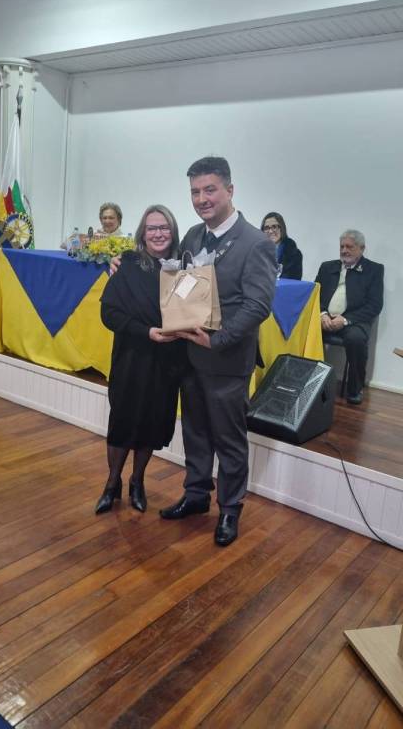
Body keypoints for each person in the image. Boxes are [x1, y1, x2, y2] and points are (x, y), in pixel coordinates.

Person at [160, 156, 277, 546]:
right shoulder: (193, 235)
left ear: (230, 190)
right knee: (195, 432)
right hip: (191, 357)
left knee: (228, 439)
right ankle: (196, 495)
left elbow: (257, 306)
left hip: (226, 360)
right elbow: (179, 282)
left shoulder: (256, 243)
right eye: (195, 192)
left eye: (209, 190)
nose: (201, 199)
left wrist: (218, 340)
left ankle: (229, 509)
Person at [95, 205, 186, 515]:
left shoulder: (183, 269)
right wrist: (145, 332)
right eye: (152, 228)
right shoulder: (128, 264)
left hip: (166, 361)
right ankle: (112, 484)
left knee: (152, 423)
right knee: (122, 422)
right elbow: (108, 313)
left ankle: (137, 482)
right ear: (142, 234)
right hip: (131, 359)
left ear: (173, 232)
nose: (158, 233)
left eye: (164, 227)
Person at [316, 229, 384, 405]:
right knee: (301, 329)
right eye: (342, 246)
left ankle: (355, 389)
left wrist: (345, 320)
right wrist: (322, 314)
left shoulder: (374, 270)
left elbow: (375, 305)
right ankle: (306, 380)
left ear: (362, 248)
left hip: (354, 322)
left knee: (356, 339)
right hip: (325, 318)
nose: (344, 250)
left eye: (349, 247)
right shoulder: (327, 267)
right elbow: (315, 295)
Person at [260, 212, 302, 279]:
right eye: (266, 228)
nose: (270, 231)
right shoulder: (256, 253)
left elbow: (293, 282)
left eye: (274, 227)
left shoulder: (294, 255)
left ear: (282, 228)